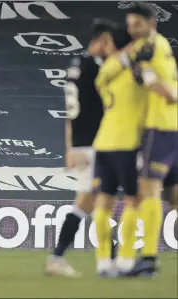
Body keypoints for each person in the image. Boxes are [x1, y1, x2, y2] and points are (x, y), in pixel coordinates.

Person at [121, 2, 178, 276]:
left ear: (150, 23)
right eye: (129, 25)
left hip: (160, 128)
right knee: (173, 194)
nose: (132, 30)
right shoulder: (160, 46)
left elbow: (166, 92)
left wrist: (140, 75)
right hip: (172, 127)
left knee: (148, 189)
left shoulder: (151, 47)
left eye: (137, 25)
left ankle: (150, 259)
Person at [89, 22, 147, 277]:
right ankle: (124, 260)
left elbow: (102, 78)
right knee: (133, 200)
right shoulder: (137, 72)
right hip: (127, 144)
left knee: (103, 202)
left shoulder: (107, 71)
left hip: (103, 143)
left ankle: (103, 262)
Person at [45, 33, 104, 276]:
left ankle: (59, 257)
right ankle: (111, 262)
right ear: (103, 41)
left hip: (83, 142)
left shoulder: (76, 66)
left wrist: (70, 148)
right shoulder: (96, 68)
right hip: (96, 142)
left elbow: (71, 115)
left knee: (91, 201)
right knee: (96, 200)